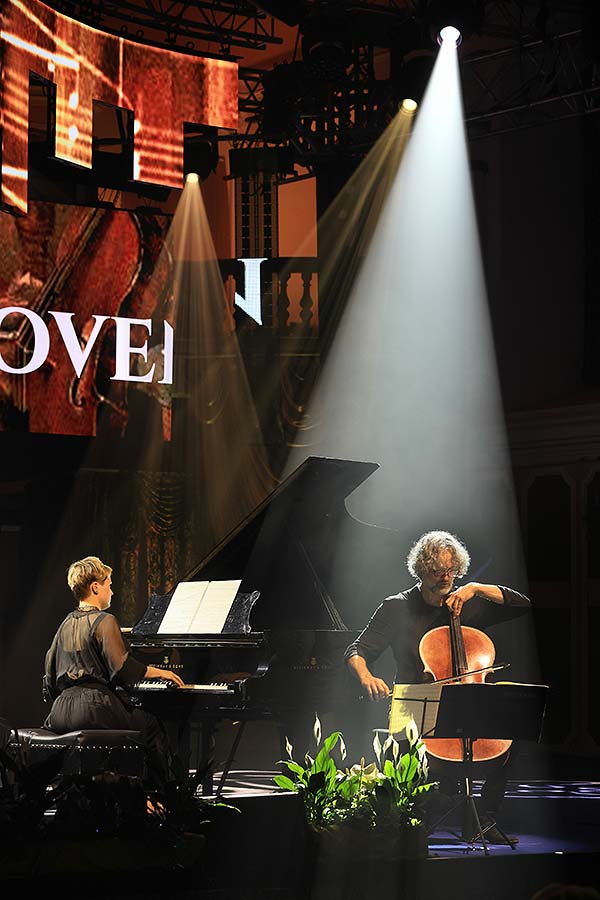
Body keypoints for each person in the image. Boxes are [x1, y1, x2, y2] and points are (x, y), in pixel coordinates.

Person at [345, 530, 531, 841]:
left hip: (466, 700)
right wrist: (367, 677)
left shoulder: (468, 603)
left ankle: (483, 820)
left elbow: (522, 604)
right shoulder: (396, 607)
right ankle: (409, 821)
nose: (445, 578)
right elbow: (356, 651)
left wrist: (475, 588)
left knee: (511, 737)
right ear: (420, 570)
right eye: (436, 571)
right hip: (414, 705)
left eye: (451, 571)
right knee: (411, 762)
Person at [43, 556, 184, 785]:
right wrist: (159, 672)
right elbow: (123, 669)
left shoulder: (65, 624)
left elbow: (49, 678)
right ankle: (157, 797)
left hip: (59, 712)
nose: (112, 591)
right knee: (152, 725)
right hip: (94, 708)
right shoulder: (105, 620)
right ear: (95, 587)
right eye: (109, 584)